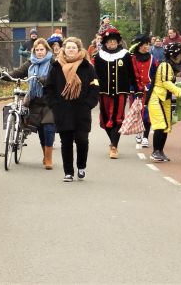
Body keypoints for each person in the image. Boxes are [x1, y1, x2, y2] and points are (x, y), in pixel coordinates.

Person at [44, 37, 99, 182]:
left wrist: (88, 104)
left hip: (82, 111)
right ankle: (68, 172)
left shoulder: (87, 67)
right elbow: (48, 88)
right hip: (63, 110)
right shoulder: (56, 67)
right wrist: (54, 104)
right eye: (68, 47)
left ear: (79, 49)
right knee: (66, 142)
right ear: (64, 49)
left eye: (74, 47)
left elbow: (95, 88)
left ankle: (81, 166)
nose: (71, 50)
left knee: (82, 141)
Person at [8, 38, 56, 169]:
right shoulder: (31, 62)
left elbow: (58, 78)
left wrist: (46, 80)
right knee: (40, 129)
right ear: (34, 51)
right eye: (37, 50)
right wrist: (7, 75)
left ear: (47, 50)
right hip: (35, 100)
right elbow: (19, 72)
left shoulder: (53, 62)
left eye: (42, 50)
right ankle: (45, 155)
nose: (40, 52)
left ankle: (49, 158)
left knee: (49, 128)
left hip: (49, 100)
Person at [147, 42, 181, 162]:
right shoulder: (165, 65)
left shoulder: (169, 65)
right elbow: (166, 82)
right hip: (157, 98)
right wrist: (180, 93)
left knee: (166, 126)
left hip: (165, 99)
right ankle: (155, 151)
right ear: (175, 55)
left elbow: (170, 78)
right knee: (160, 125)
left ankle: (160, 151)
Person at [93, 27, 133, 158]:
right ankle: (112, 142)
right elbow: (95, 75)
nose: (112, 44)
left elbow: (131, 72)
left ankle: (114, 146)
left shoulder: (126, 55)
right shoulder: (99, 56)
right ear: (105, 42)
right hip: (103, 92)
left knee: (117, 118)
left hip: (121, 91)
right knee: (105, 119)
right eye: (109, 42)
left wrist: (135, 89)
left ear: (118, 42)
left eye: (114, 42)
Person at [129, 33, 158, 148]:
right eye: (145, 44)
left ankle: (145, 137)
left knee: (148, 114)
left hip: (149, 90)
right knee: (137, 113)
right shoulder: (132, 58)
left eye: (148, 44)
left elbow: (156, 73)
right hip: (135, 90)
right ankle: (138, 133)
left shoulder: (152, 59)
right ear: (139, 45)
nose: (147, 46)